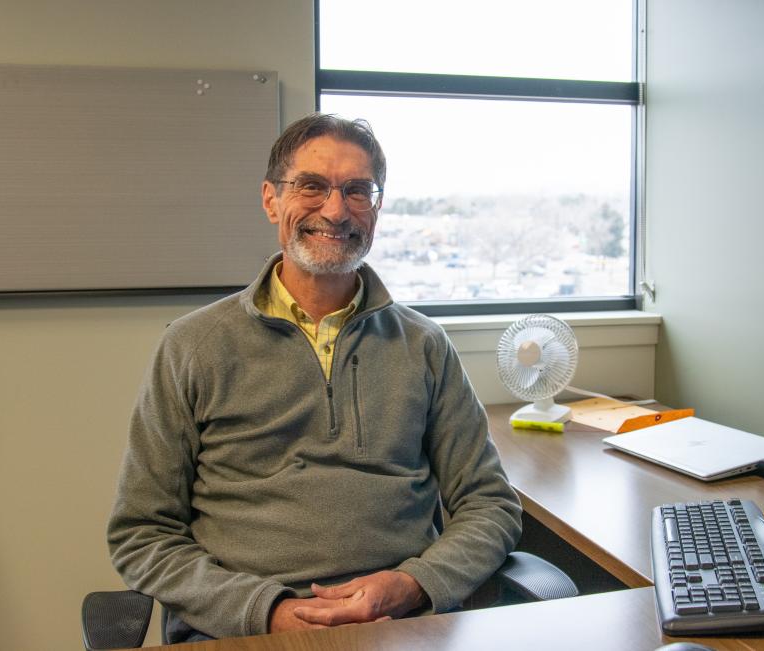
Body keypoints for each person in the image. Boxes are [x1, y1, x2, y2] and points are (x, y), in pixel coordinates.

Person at [107, 113, 522, 643]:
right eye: (311, 186)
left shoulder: (423, 345)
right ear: (270, 199)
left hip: (399, 626)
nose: (335, 209)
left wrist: (415, 583)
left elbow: (490, 504)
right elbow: (141, 533)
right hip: (244, 632)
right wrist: (268, 612)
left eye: (357, 190)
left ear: (376, 208)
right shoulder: (193, 346)